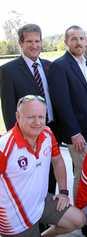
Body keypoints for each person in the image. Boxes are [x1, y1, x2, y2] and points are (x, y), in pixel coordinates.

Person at [0, 95, 85, 237]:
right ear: (18, 116)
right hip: (17, 221)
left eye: (41, 117)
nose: (37, 122)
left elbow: (57, 160)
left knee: (79, 220)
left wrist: (63, 192)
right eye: (31, 117)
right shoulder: (4, 147)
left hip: (41, 203)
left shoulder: (47, 133)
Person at [0, 23, 57, 194]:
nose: (34, 45)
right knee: (31, 175)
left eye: (37, 41)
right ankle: (33, 213)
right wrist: (18, 139)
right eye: (29, 41)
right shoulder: (7, 71)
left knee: (51, 171)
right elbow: (9, 109)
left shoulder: (49, 66)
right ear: (21, 43)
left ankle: (49, 206)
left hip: (51, 128)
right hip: (27, 134)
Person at [48, 25, 87, 198]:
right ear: (66, 42)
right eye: (74, 39)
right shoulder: (60, 66)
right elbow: (61, 103)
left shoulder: (84, 63)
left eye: (81, 38)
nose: (78, 42)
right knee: (83, 172)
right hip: (78, 133)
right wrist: (74, 132)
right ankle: (82, 210)